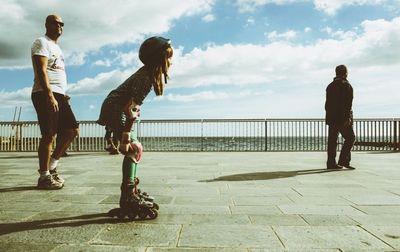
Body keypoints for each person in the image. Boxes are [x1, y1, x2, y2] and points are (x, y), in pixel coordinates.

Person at [97, 36, 173, 218]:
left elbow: (131, 109)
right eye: (169, 56)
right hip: (116, 110)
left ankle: (130, 191)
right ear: (159, 58)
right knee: (133, 149)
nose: (171, 61)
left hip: (114, 108)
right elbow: (130, 110)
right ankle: (128, 195)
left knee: (135, 149)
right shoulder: (146, 77)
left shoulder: (147, 73)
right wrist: (124, 138)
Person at [31, 14, 79, 189]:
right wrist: (49, 94)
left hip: (59, 94)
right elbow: (41, 70)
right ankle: (44, 177)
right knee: (49, 135)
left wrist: (62, 94)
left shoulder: (57, 48)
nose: (59, 26)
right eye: (55, 23)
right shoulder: (41, 42)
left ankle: (51, 167)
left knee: (72, 130)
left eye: (62, 24)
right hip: (44, 93)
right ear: (47, 24)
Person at [325, 65, 356, 169]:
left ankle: (331, 163)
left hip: (332, 118)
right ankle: (343, 161)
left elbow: (327, 104)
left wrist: (329, 115)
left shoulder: (330, 86)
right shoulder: (347, 85)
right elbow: (348, 104)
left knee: (332, 141)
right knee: (351, 138)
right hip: (342, 118)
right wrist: (348, 117)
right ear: (345, 73)